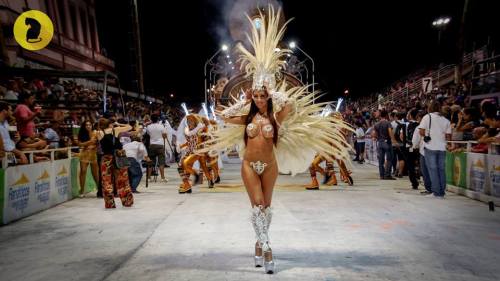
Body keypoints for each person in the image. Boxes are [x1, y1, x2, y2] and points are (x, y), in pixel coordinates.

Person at [201, 6, 351, 274]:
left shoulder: (276, 119)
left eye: (262, 96)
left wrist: (269, 89)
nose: (259, 99)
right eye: (256, 96)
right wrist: (245, 101)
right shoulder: (246, 118)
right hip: (250, 165)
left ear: (268, 97)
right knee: (257, 205)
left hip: (269, 166)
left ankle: (258, 244)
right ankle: (268, 248)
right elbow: (225, 115)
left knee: (267, 208)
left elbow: (289, 103)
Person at [96, 118, 133, 208]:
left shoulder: (99, 133)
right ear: (110, 124)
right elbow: (130, 127)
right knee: (122, 180)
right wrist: (118, 123)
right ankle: (127, 201)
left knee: (106, 181)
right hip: (118, 156)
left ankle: (110, 203)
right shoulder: (115, 130)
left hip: (106, 158)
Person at [419, 101, 451, 198]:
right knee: (441, 170)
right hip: (442, 147)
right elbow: (448, 136)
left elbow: (421, 131)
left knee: (433, 170)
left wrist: (427, 135)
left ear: (430, 108)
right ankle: (442, 192)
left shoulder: (427, 117)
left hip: (430, 146)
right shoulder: (446, 120)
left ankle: (436, 192)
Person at [77, 120, 99, 197]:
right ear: (84, 126)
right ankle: (82, 190)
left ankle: (99, 189)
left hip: (93, 154)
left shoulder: (96, 133)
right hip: (84, 154)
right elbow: (80, 144)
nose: (88, 126)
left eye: (90, 125)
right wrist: (89, 142)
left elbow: (99, 143)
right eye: (86, 125)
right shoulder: (82, 134)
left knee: (95, 173)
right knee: (83, 171)